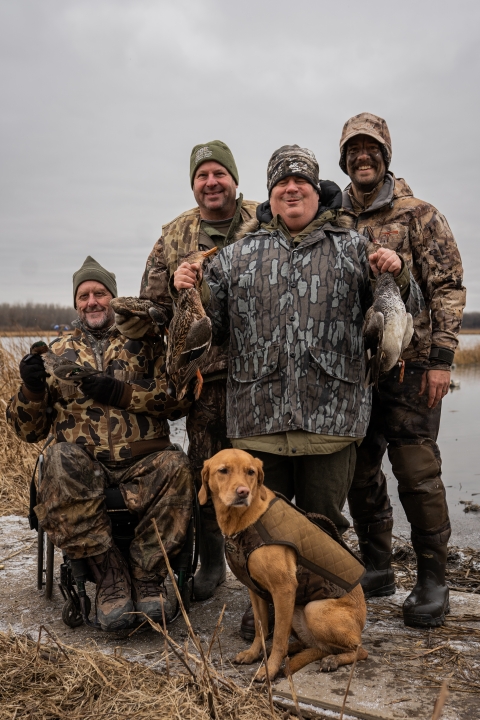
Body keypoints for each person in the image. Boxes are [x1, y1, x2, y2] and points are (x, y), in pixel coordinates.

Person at [174, 144, 422, 637]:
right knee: (258, 524)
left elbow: (397, 308)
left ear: (317, 191)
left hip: (333, 417)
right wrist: (190, 285)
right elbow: (212, 325)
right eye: (281, 183)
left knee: (321, 524)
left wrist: (400, 270)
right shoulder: (237, 254)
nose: (292, 189)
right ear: (269, 194)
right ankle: (265, 607)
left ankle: (320, 608)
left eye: (301, 182)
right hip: (258, 420)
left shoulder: (354, 246)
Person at [7, 256, 193, 632]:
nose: (92, 301)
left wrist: (121, 392)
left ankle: (147, 576)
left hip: (142, 462)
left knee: (177, 467)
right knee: (56, 460)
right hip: (83, 466)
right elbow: (27, 430)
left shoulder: (146, 343)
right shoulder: (55, 354)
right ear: (76, 303)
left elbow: (179, 399)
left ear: (114, 297)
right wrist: (31, 387)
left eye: (100, 293)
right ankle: (110, 578)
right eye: (84, 295)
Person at [114, 141, 258, 601]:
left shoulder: (264, 218)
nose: (211, 182)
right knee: (207, 466)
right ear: (194, 184)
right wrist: (175, 291)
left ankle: (263, 561)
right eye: (202, 176)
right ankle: (214, 562)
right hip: (207, 379)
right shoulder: (174, 236)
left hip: (264, 375)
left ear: (234, 179)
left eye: (219, 173)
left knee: (264, 467)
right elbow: (152, 312)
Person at [339, 112, 466, 628]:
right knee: (360, 472)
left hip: (411, 369)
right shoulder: (334, 220)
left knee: (417, 474)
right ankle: (378, 565)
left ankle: (434, 580)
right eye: (353, 151)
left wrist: (441, 359)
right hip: (353, 372)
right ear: (344, 161)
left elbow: (449, 287)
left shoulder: (421, 215)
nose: (362, 158)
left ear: (386, 155)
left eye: (371, 149)